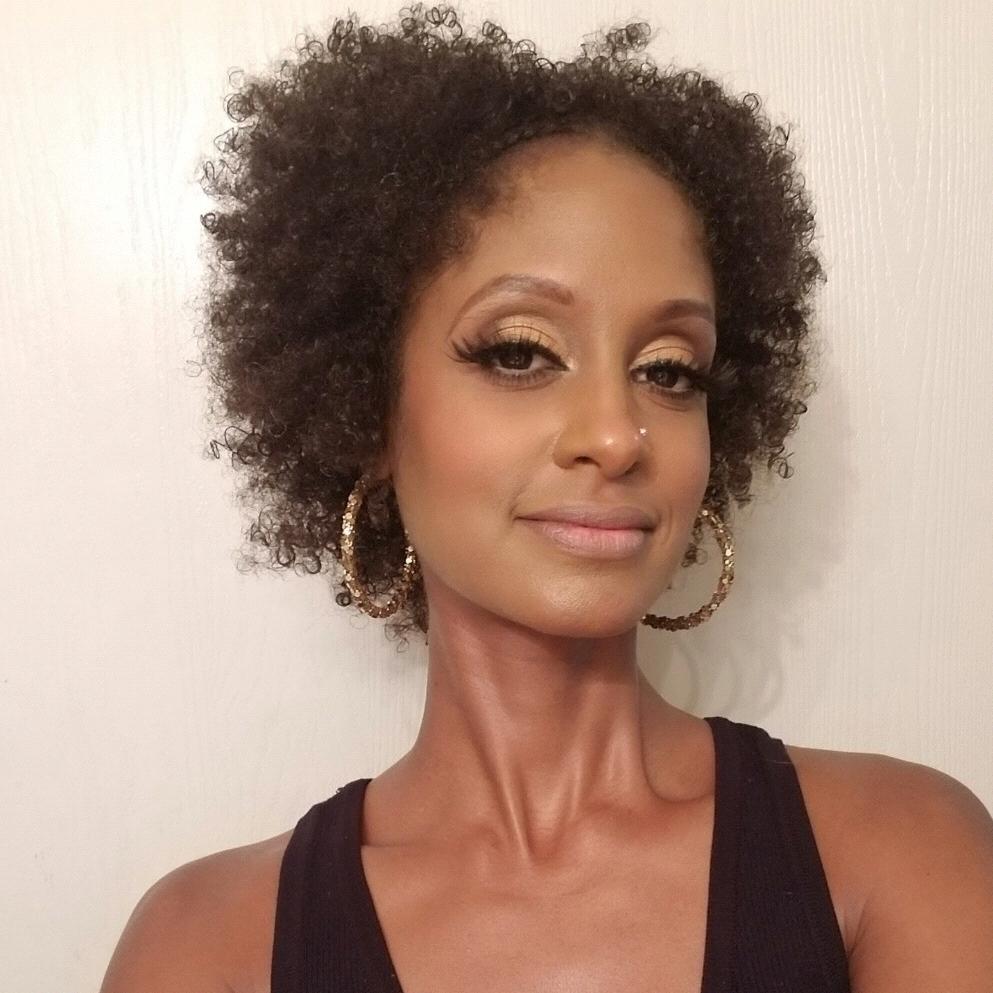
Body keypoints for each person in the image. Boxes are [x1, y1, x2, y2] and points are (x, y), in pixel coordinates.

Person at [99, 5, 993, 991]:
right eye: (520, 353)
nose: (615, 434)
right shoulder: (205, 946)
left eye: (668, 369)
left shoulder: (899, 857)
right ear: (368, 411)